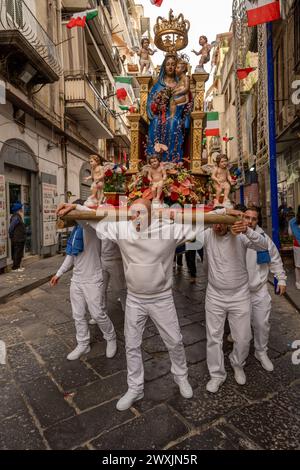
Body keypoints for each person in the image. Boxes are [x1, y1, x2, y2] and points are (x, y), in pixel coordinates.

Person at [57, 200, 239, 410]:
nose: (136, 218)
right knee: (132, 345)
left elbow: (201, 219)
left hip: (161, 298)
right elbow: (95, 219)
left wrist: (225, 211)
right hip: (134, 299)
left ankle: (181, 377)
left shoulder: (169, 230)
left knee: (175, 341)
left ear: (152, 214)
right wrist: (75, 208)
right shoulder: (122, 228)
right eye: (133, 214)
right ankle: (135, 388)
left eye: (141, 214)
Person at [204, 212, 269, 394]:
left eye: (221, 223)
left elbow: (263, 245)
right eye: (214, 223)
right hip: (214, 295)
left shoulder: (240, 235)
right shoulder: (207, 234)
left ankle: (238, 363)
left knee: (242, 337)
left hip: (240, 295)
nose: (217, 227)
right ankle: (216, 374)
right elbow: (187, 233)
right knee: (213, 337)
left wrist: (247, 230)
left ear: (228, 223)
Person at [50, 205, 117, 361]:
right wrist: (58, 274)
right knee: (78, 315)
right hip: (77, 279)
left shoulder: (91, 228)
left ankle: (111, 337)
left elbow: (89, 214)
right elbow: (71, 256)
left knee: (98, 314)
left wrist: (74, 206)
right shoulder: (75, 232)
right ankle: (83, 344)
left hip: (93, 279)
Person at [242, 207, 287, 371]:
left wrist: (280, 279)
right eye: (247, 217)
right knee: (241, 329)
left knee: (262, 324)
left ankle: (261, 352)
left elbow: (275, 259)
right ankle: (239, 357)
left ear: (257, 221)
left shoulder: (263, 238)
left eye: (253, 219)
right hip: (240, 292)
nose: (250, 221)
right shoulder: (236, 236)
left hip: (259, 289)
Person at [146, 53, 191, 162]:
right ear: (164, 67)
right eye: (168, 64)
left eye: (173, 64)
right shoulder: (158, 85)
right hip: (159, 115)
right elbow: (150, 103)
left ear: (177, 67)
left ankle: (172, 160)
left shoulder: (181, 83)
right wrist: (158, 104)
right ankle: (154, 159)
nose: (170, 67)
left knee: (173, 123)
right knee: (156, 122)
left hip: (175, 115)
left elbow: (187, 102)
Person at [89, 238, 127, 325]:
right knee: (101, 288)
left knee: (120, 288)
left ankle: (128, 312)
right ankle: (101, 313)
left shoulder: (116, 226)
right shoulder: (99, 227)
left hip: (116, 261)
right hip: (102, 260)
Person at [9, 202, 26, 272]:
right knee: (17, 253)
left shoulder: (17, 216)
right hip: (17, 238)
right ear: (18, 209)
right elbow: (11, 227)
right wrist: (11, 235)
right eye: (21, 208)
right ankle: (15, 267)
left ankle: (18, 266)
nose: (22, 209)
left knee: (19, 252)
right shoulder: (16, 217)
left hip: (20, 238)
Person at [289, 205, 300, 290]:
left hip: (297, 245)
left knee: (298, 265)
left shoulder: (292, 221)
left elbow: (290, 234)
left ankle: (298, 282)